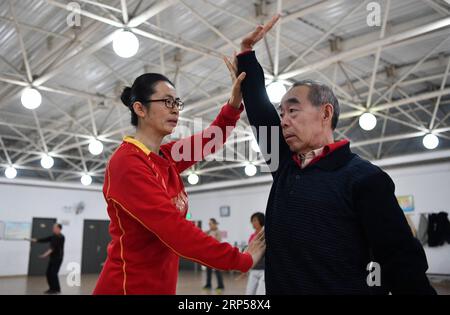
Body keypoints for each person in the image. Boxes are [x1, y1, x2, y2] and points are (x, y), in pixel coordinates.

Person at [227, 14, 436, 294]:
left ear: (325, 113)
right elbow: (261, 115)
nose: (283, 121)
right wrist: (247, 56)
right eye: (282, 113)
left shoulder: (365, 179)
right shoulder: (287, 167)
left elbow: (402, 263)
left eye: (293, 110)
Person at [93, 65, 265, 294]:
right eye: (167, 102)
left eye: (177, 103)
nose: (175, 110)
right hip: (128, 287)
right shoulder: (126, 163)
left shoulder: (166, 156)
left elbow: (210, 139)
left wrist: (234, 103)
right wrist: (241, 260)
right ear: (140, 109)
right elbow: (176, 231)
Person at [27, 223, 65, 294]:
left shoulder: (60, 237)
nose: (53, 229)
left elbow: (52, 248)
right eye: (53, 227)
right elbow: (45, 239)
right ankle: (54, 288)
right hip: (53, 257)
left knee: (53, 274)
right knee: (48, 273)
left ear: (59, 229)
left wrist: (44, 255)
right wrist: (33, 240)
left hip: (58, 258)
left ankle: (55, 289)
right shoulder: (54, 236)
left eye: (54, 227)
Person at [245, 212, 266, 295]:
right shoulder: (252, 236)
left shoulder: (266, 234)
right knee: (249, 293)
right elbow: (250, 252)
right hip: (254, 269)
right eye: (252, 221)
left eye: (255, 220)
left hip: (264, 270)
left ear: (261, 220)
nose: (253, 223)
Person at [203, 218, 225, 293]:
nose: (209, 225)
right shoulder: (209, 232)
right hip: (209, 253)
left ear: (214, 224)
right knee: (208, 270)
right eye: (209, 224)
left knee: (217, 270)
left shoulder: (218, 232)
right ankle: (208, 284)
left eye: (210, 224)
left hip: (216, 254)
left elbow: (218, 241)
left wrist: (211, 238)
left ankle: (220, 285)